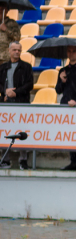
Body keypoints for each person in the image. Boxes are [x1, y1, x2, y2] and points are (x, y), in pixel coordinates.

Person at [0, 41, 32, 169]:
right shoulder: (3, 67)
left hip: (21, 103)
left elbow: (30, 85)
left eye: (19, 50)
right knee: (5, 130)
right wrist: (5, 92)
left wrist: (15, 93)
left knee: (22, 130)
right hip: (6, 103)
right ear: (9, 51)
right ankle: (5, 159)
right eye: (14, 50)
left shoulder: (26, 67)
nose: (17, 52)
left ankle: (23, 160)